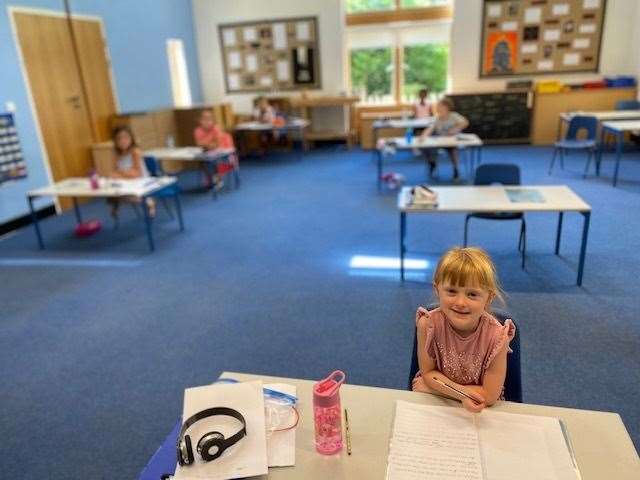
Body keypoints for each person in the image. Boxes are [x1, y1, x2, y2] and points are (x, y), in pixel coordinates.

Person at [411, 247, 515, 413]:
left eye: (472, 294)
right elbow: (428, 373)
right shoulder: (427, 324)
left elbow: (489, 396)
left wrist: (437, 388)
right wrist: (464, 394)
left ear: (489, 297)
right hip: (435, 404)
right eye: (452, 291)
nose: (460, 302)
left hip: (480, 410)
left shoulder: (497, 336)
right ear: (437, 290)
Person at [109, 125, 155, 218]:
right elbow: (114, 172)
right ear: (116, 142)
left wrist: (121, 173)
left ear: (131, 138)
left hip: (141, 180)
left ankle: (150, 202)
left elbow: (137, 173)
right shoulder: (117, 154)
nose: (123, 141)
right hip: (126, 180)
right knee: (111, 191)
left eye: (126, 137)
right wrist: (118, 174)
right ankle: (115, 207)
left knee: (132, 196)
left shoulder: (135, 151)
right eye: (119, 138)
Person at [419, 97, 469, 181]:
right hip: (440, 142)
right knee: (427, 148)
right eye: (438, 106)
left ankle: (456, 170)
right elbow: (430, 129)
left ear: (446, 107)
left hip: (451, 141)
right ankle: (432, 164)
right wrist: (423, 136)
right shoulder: (437, 118)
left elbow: (465, 123)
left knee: (453, 150)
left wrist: (455, 129)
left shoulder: (454, 116)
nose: (438, 107)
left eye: (440, 106)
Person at [194, 109, 237, 189]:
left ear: (213, 120)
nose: (207, 121)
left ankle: (217, 180)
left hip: (221, 153)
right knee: (205, 161)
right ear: (200, 120)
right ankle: (212, 179)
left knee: (214, 161)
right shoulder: (198, 130)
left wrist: (208, 144)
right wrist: (209, 144)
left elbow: (216, 144)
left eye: (209, 118)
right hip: (207, 153)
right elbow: (199, 143)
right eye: (204, 119)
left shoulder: (216, 128)